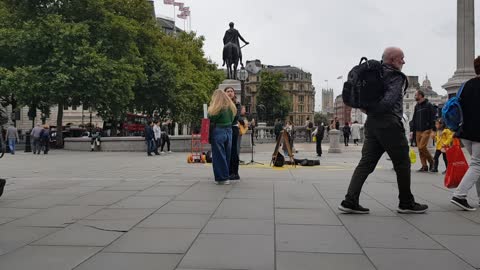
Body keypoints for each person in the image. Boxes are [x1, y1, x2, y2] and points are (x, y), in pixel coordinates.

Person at [339, 47, 428, 214]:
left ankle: (350, 200)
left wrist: (369, 110)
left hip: (371, 123)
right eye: (401, 58)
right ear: (393, 60)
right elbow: (389, 101)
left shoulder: (374, 73)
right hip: (389, 123)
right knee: (402, 162)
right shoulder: (396, 76)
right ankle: (406, 202)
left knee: (366, 163)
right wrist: (380, 111)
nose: (403, 61)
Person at [450, 56, 480, 211]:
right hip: (478, 132)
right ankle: (459, 195)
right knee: (477, 164)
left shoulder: (466, 85)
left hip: (465, 131)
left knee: (477, 164)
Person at [208, 89, 236, 185]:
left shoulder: (218, 107)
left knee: (219, 155)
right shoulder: (231, 107)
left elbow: (211, 117)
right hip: (229, 131)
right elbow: (233, 119)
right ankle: (226, 175)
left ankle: (222, 178)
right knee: (227, 154)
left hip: (219, 130)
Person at [411, 89, 436, 172]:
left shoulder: (429, 105)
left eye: (416, 95)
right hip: (417, 130)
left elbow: (433, 117)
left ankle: (432, 161)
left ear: (421, 96)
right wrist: (412, 130)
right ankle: (424, 166)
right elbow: (414, 119)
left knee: (422, 147)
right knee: (420, 149)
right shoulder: (416, 106)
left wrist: (433, 129)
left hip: (426, 129)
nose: (415, 97)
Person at [225, 87, 243, 180]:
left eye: (231, 91)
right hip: (224, 128)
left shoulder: (237, 104)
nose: (230, 93)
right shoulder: (222, 104)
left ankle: (235, 172)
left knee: (233, 150)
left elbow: (236, 117)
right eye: (228, 91)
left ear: (234, 93)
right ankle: (227, 171)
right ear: (225, 93)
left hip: (233, 128)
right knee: (226, 150)